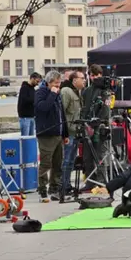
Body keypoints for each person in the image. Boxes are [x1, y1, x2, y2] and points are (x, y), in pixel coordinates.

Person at [35, 71, 67, 202]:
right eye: (55, 84)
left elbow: (61, 113)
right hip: (46, 134)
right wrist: (52, 94)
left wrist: (65, 133)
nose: (57, 86)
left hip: (58, 133)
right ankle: (42, 188)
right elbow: (43, 108)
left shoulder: (57, 95)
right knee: (46, 163)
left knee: (58, 163)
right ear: (48, 83)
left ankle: (55, 188)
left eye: (59, 84)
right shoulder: (40, 93)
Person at [60, 70, 86, 197]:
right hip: (69, 132)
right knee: (66, 160)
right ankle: (62, 185)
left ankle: (67, 184)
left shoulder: (77, 92)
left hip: (75, 131)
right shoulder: (66, 91)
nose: (84, 80)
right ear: (74, 80)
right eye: (82, 78)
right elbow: (62, 112)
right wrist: (63, 132)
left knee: (71, 161)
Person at [18, 73, 41, 137]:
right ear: (32, 79)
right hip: (25, 117)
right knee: (25, 137)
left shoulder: (33, 89)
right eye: (37, 81)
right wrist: (36, 99)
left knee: (31, 137)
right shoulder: (24, 88)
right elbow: (25, 100)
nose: (37, 83)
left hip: (32, 117)